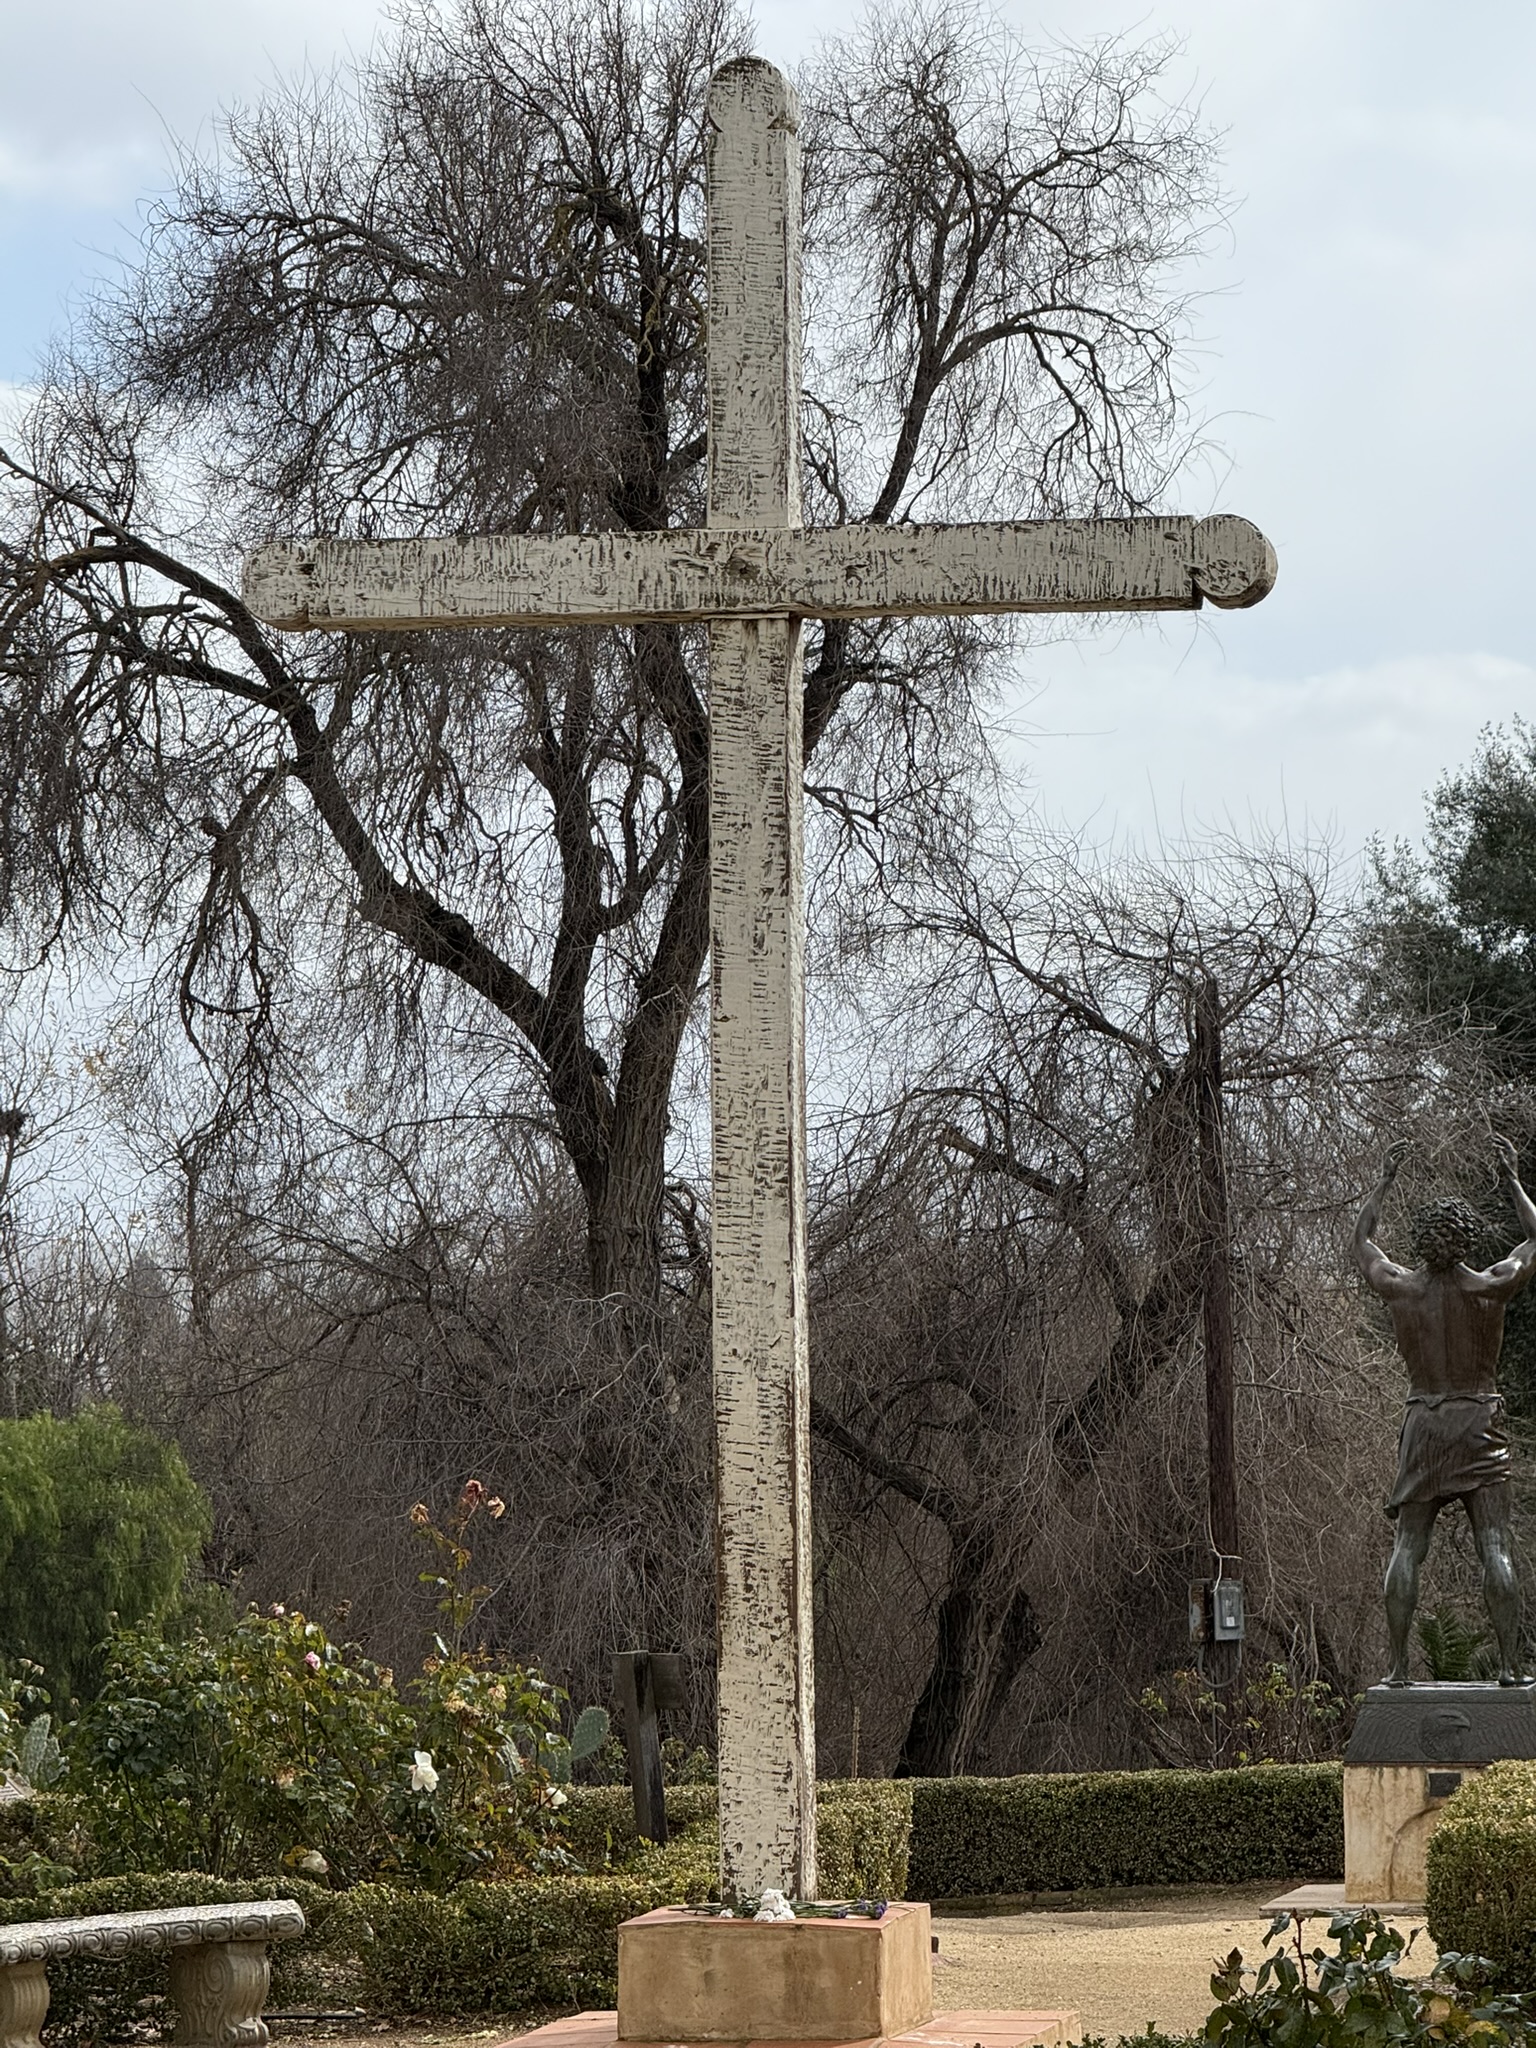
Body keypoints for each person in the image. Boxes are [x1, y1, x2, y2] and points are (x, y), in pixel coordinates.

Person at [1353, 1135, 1536, 1686]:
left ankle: (1397, 1668)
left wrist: (1384, 1181)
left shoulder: (1403, 1291)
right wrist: (1512, 1180)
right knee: (1495, 1545)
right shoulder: (1491, 1288)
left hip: (1425, 1422)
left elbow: (1362, 1240)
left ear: (1423, 1241)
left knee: (1408, 1545)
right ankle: (1508, 1668)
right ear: (1467, 1241)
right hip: (1479, 1420)